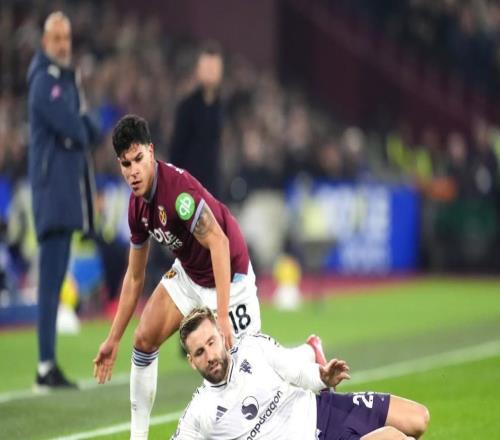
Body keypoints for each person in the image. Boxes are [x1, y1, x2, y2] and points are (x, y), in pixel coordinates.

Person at [93, 115, 320, 439]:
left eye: (139, 159)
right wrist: (113, 338)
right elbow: (134, 276)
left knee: (251, 376)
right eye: (125, 164)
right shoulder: (137, 208)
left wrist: (222, 316)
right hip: (190, 273)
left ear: (151, 151)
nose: (133, 171)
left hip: (230, 277)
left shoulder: (178, 194)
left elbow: (219, 243)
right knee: (143, 338)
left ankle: (309, 354)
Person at [173, 307, 430, 440]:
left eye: (211, 343)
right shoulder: (199, 412)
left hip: (323, 410)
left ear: (221, 335)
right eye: (199, 352)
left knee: (418, 419)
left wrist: (322, 378)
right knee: (395, 438)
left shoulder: (252, 346)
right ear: (191, 361)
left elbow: (295, 372)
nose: (210, 356)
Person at [27, 11, 100, 390]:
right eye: (56, 38)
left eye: (66, 37)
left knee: (55, 283)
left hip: (65, 192)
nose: (62, 44)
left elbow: (88, 130)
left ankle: (48, 364)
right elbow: (75, 126)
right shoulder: (45, 82)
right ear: (45, 42)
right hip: (52, 192)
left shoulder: (65, 81)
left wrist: (82, 126)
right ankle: (44, 366)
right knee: (49, 283)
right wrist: (81, 126)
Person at [169, 43, 224, 198]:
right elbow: (177, 148)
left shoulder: (220, 107)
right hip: (189, 185)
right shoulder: (187, 107)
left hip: (211, 185)